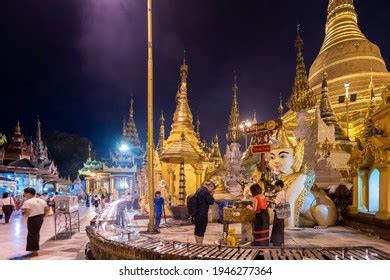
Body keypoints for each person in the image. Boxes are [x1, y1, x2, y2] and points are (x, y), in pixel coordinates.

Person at [22, 187, 49, 257]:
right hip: (40, 218)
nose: (24, 195)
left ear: (28, 193)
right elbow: (47, 209)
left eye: (25, 194)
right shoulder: (41, 200)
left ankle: (34, 251)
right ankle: (34, 249)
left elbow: (27, 213)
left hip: (32, 219)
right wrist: (43, 215)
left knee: (32, 235)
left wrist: (27, 214)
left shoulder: (27, 202)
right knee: (36, 233)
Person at [270, 180, 287, 246]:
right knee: (279, 227)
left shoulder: (280, 193)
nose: (275, 188)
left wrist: (267, 200)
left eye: (275, 187)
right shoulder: (283, 192)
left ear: (279, 186)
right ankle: (279, 242)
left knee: (278, 227)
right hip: (281, 212)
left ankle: (277, 243)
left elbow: (276, 202)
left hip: (279, 213)